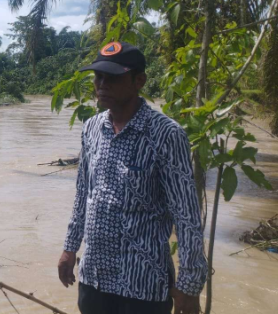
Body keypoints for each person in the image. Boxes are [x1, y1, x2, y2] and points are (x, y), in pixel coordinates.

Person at [57, 41, 207, 314]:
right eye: (98, 77)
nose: (102, 84)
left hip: (143, 288)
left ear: (139, 81)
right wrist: (69, 248)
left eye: (112, 78)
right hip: (94, 280)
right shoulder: (92, 127)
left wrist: (190, 285)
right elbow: (83, 195)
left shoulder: (165, 134)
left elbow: (186, 216)